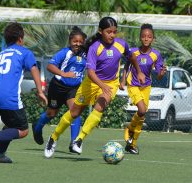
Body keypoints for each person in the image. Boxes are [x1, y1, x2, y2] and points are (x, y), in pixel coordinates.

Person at [44, 16, 145, 158]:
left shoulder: (121, 44)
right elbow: (90, 73)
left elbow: (132, 57)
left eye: (114, 32)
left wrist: (139, 72)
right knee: (74, 113)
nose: (112, 35)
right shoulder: (94, 48)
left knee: (100, 107)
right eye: (109, 32)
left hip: (110, 84)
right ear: (101, 31)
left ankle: (79, 140)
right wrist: (101, 85)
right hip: (91, 83)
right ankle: (53, 137)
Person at [0, 22, 47, 163]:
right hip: (9, 97)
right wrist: (40, 91)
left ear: (6, 39)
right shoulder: (24, 52)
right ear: (21, 38)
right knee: (23, 130)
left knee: (10, 125)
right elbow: (34, 69)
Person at [32, 26, 87, 152]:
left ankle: (74, 143)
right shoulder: (64, 52)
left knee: (75, 111)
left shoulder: (86, 54)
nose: (77, 44)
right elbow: (50, 66)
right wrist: (64, 74)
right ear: (70, 42)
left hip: (73, 88)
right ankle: (37, 127)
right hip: (58, 87)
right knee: (52, 113)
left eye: (80, 42)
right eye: (75, 41)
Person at [120, 23, 166, 154]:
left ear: (153, 39)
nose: (146, 39)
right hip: (133, 84)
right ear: (140, 38)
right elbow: (127, 66)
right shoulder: (133, 51)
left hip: (146, 86)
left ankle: (132, 144)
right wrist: (123, 80)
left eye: (149, 36)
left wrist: (162, 73)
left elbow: (160, 75)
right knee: (141, 109)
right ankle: (129, 129)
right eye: (144, 36)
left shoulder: (156, 55)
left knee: (142, 114)